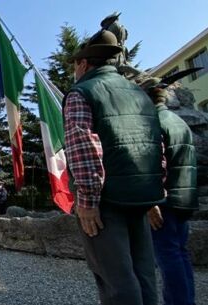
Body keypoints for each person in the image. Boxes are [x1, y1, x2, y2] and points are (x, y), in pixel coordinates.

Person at [63, 30, 165, 305]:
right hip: (141, 197)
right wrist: (155, 192)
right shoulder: (139, 94)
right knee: (144, 274)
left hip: (106, 200)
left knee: (116, 281)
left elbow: (83, 146)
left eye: (75, 65)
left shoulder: (82, 92)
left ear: (83, 64)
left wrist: (87, 200)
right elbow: (155, 144)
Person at [146, 86, 198, 305]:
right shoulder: (178, 121)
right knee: (180, 253)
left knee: (168, 256)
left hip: (165, 200)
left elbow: (157, 163)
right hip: (185, 197)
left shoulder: (154, 122)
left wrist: (152, 200)